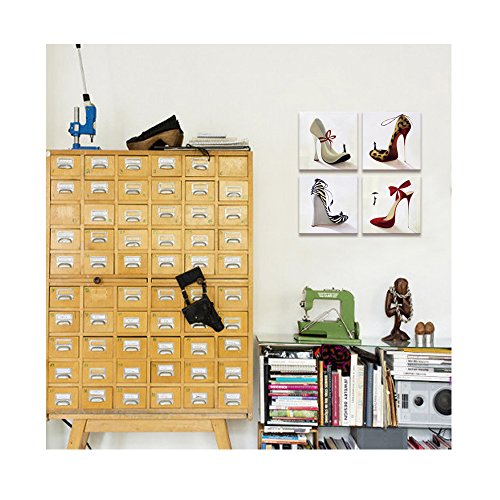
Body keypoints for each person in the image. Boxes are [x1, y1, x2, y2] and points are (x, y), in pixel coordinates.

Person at [382, 277, 413, 343]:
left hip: (400, 308)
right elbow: (388, 313)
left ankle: (396, 331)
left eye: (403, 287)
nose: (401, 288)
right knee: (397, 310)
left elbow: (408, 314)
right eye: (399, 287)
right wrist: (399, 309)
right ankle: (395, 331)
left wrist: (403, 298)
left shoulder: (407, 294)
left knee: (398, 310)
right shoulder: (391, 293)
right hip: (396, 310)